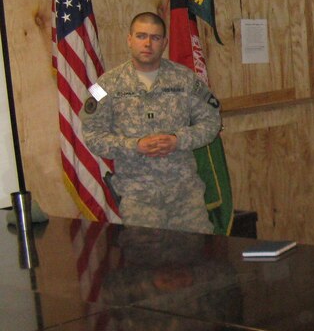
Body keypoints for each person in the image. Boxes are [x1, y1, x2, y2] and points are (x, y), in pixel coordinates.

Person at [80, 12, 220, 233]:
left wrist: (178, 140)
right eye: (141, 36)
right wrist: (134, 145)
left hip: (185, 195)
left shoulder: (185, 79)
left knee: (196, 259)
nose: (147, 43)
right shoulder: (106, 84)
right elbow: (92, 135)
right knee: (146, 261)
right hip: (138, 198)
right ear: (129, 40)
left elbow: (212, 122)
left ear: (164, 43)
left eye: (155, 38)